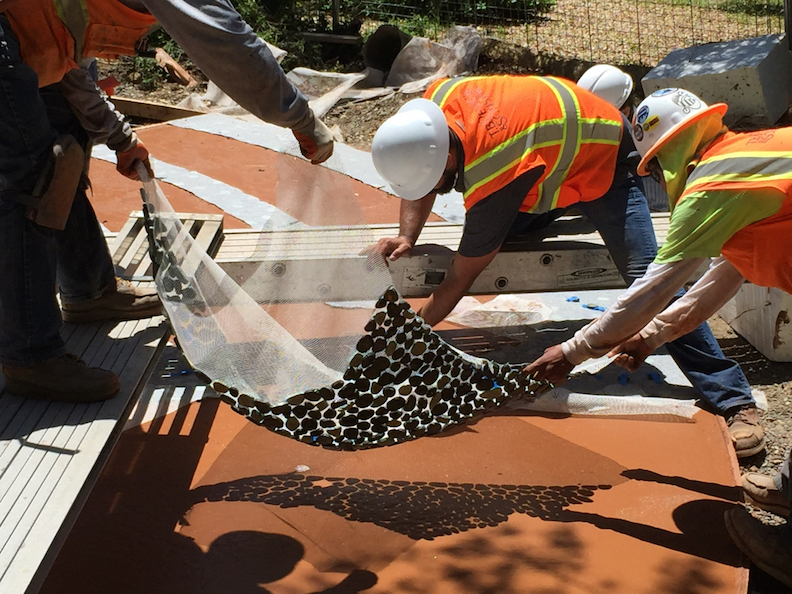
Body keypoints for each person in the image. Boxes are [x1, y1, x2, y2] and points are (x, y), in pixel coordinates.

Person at [369, 74, 764, 457]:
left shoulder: (496, 164)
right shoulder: (430, 109)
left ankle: (731, 398)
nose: (435, 191)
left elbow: (461, 276)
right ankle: (559, 204)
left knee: (650, 279)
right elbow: (422, 176)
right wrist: (408, 237)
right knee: (490, 233)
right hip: (546, 170)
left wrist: (410, 333)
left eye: (439, 183)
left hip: (607, 166)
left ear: (448, 154)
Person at [520, 87, 792, 586]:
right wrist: (649, 338)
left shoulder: (715, 184)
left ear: (667, 154)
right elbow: (720, 277)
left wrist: (573, 351)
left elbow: (654, 287)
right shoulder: (750, 157)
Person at [0, 0, 335, 402]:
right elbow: (228, 42)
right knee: (32, 178)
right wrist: (301, 117)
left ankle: (88, 292)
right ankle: (30, 355)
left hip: (23, 33)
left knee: (64, 142)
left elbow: (68, 66)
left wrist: (121, 137)